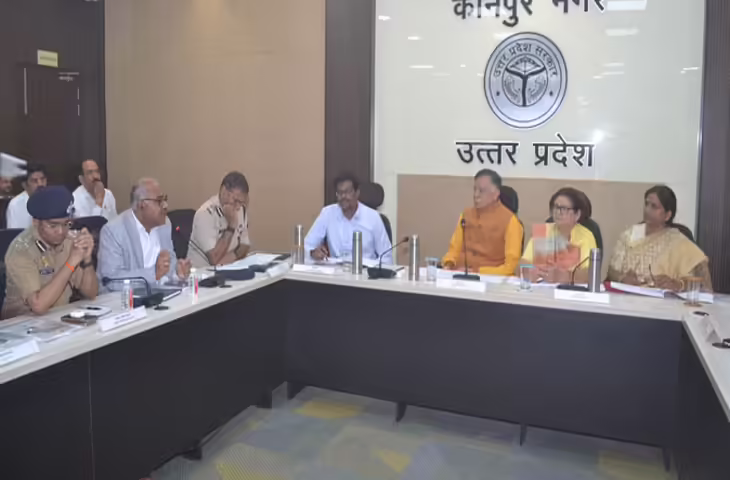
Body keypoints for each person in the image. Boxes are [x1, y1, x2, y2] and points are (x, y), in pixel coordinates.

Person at [2, 186, 97, 319]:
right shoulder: (21, 250)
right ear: (36, 222)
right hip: (21, 322)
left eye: (66, 224)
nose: (61, 231)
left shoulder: (68, 241)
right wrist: (71, 262)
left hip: (58, 317)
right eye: (53, 226)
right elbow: (38, 306)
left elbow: (91, 293)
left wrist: (87, 259)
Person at [607, 185, 712, 292]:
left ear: (667, 215)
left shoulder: (677, 241)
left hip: (661, 300)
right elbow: (611, 271)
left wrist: (678, 284)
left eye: (654, 206)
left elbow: (701, 280)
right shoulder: (630, 235)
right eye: (646, 204)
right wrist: (622, 278)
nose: (647, 210)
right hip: (626, 297)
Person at [97, 178, 191, 290]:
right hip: (124, 298)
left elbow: (169, 262)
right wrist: (154, 274)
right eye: (159, 201)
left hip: (160, 293)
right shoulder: (113, 231)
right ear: (142, 204)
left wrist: (177, 270)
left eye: (165, 200)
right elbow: (111, 280)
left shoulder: (165, 224)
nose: (165, 205)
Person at [442, 169, 523, 275]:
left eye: (481, 191)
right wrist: (448, 264)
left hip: (491, 279)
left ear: (496, 194)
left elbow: (510, 267)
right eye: (474, 189)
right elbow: (454, 249)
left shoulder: (510, 221)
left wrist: (477, 272)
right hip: (459, 276)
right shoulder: (466, 215)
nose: (476, 195)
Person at [304, 174, 393, 263]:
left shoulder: (373, 217)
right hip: (336, 269)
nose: (343, 197)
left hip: (365, 269)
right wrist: (313, 252)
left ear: (357, 193)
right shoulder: (328, 213)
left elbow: (386, 257)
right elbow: (307, 245)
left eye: (347, 192)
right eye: (339, 193)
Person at [522, 187, 597, 284]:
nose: (558, 212)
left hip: (571, 290)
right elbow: (523, 264)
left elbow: (590, 274)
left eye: (563, 209)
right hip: (541, 288)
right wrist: (529, 271)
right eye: (556, 207)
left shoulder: (586, 236)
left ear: (577, 214)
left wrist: (564, 276)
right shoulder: (543, 231)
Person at [188, 171, 251, 268]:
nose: (238, 207)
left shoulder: (241, 209)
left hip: (229, 268)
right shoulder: (205, 214)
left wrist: (223, 262)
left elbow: (244, 246)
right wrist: (231, 227)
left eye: (241, 202)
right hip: (202, 273)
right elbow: (214, 258)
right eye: (235, 200)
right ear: (223, 191)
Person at [6, 163, 47, 229]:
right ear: (25, 185)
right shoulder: (15, 205)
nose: (40, 184)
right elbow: (14, 234)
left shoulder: (53, 200)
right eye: (35, 181)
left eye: (42, 179)